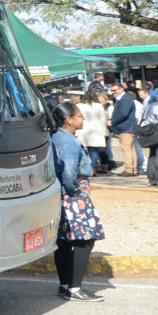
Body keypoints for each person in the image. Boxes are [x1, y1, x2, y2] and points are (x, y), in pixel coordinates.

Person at [50, 100, 105, 300]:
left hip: (59, 194)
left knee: (63, 241)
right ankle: (75, 289)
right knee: (85, 239)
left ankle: (64, 285)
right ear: (69, 120)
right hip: (73, 196)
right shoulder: (70, 141)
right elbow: (68, 170)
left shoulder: (54, 136)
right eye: (80, 115)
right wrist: (73, 189)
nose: (83, 118)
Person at [109, 80, 141, 177]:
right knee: (131, 149)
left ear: (122, 89)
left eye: (115, 90)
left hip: (126, 128)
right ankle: (133, 169)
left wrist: (112, 122)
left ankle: (129, 170)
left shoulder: (125, 99)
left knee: (126, 148)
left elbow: (123, 113)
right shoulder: (122, 99)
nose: (113, 92)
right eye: (112, 91)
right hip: (127, 127)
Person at [78, 85, 112, 173]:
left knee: (83, 150)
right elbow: (102, 119)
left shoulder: (79, 106)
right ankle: (93, 167)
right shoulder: (99, 106)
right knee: (94, 150)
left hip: (82, 130)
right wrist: (104, 131)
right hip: (96, 130)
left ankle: (85, 168)